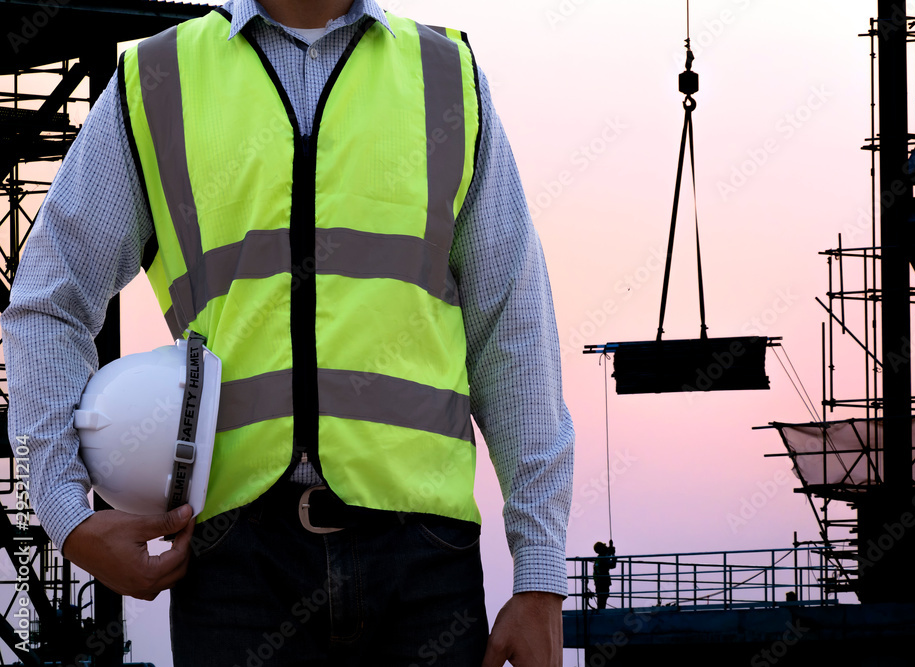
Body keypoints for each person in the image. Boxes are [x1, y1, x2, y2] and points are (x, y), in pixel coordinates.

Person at [2, 0, 575, 664]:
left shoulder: (447, 77)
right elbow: (49, 300)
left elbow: (513, 325)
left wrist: (540, 571)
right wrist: (67, 515)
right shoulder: (156, 81)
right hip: (236, 564)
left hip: (422, 563)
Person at [593, 540, 617, 611]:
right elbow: (613, 565)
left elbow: (606, 555)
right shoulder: (602, 559)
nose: (605, 547)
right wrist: (613, 555)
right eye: (604, 546)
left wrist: (610, 547)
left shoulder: (599, 558)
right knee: (602, 600)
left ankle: (600, 611)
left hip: (599, 583)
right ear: (601, 549)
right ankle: (601, 612)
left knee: (601, 600)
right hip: (603, 583)